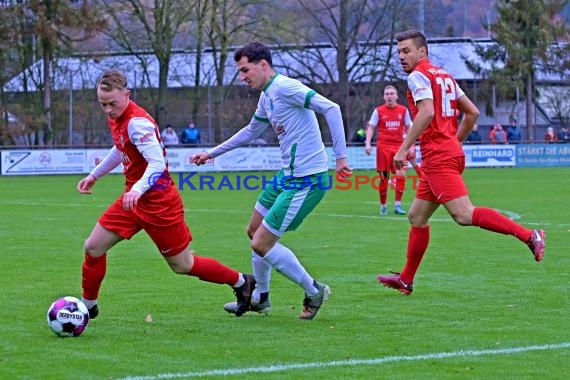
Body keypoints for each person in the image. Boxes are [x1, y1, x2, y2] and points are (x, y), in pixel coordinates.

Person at [376, 29, 545, 295]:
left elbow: (427, 112)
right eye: (398, 52)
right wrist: (454, 141)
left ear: (422, 52)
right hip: (446, 152)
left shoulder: (418, 76)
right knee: (417, 217)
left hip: (438, 157)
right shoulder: (444, 76)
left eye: (406, 50)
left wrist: (403, 147)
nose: (401, 56)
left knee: (464, 214)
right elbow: (472, 112)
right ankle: (406, 279)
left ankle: (529, 235)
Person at [77, 69, 255, 320]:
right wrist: (96, 174)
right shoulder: (117, 117)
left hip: (159, 203)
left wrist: (138, 189)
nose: (107, 109)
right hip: (133, 200)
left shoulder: (138, 122)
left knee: (183, 265)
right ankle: (87, 307)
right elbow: (121, 148)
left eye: (112, 103)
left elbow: (157, 163)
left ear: (127, 95)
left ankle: (241, 282)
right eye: (102, 104)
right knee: (93, 247)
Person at [192, 42, 352, 319]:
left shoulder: (286, 87)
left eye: (245, 70)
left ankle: (313, 290)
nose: (242, 76)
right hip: (286, 176)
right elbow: (251, 130)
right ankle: (261, 297)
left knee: (261, 243)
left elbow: (331, 108)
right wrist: (212, 153)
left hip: (307, 179)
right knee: (253, 230)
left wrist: (341, 158)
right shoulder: (267, 97)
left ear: (262, 65)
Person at [364, 84, 413, 215]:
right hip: (383, 147)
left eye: (392, 93)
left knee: (401, 174)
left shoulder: (403, 110)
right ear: (384, 97)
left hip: (399, 147)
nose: (390, 96)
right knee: (384, 178)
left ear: (396, 96)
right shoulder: (378, 111)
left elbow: (409, 128)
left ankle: (398, 205)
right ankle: (383, 205)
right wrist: (368, 143)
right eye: (387, 94)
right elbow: (371, 127)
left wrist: (411, 145)